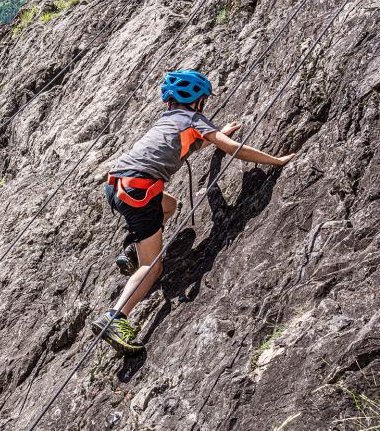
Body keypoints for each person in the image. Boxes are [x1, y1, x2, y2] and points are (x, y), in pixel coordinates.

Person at [91, 70, 297, 355]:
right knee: (152, 267)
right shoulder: (194, 120)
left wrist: (214, 137)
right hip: (140, 190)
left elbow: (186, 143)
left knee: (170, 205)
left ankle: (133, 248)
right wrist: (275, 160)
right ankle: (116, 317)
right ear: (198, 100)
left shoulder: (167, 120)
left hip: (117, 186)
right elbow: (235, 149)